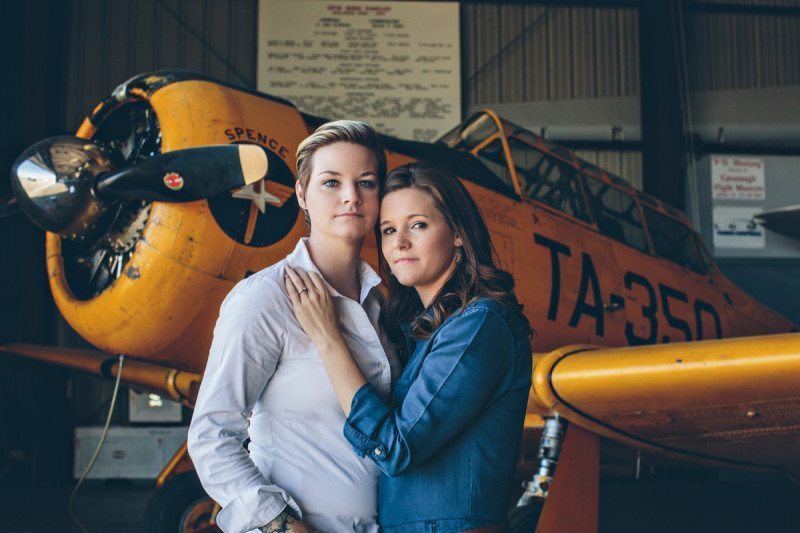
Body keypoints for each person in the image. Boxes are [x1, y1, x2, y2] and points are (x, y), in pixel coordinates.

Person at [285, 161, 532, 532]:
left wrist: (328, 338)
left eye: (418, 224)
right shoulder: (425, 330)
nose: (399, 242)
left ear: (458, 235)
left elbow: (396, 447)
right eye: (387, 230)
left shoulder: (480, 324)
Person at [188, 120, 400, 533]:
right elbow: (211, 434)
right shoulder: (264, 298)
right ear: (301, 194)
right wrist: (281, 525)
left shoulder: (383, 303)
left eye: (367, 183)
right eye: (331, 182)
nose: (350, 197)